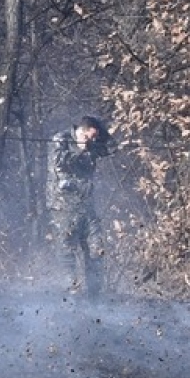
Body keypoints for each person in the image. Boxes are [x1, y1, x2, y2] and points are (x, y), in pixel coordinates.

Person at [47, 115, 112, 295]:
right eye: (89, 136)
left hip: (87, 205)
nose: (92, 141)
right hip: (63, 206)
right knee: (67, 249)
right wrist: (81, 149)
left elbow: (112, 148)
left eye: (94, 138)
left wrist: (99, 137)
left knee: (96, 248)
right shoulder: (61, 139)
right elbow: (59, 162)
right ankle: (71, 293)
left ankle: (95, 294)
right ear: (80, 131)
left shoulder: (92, 144)